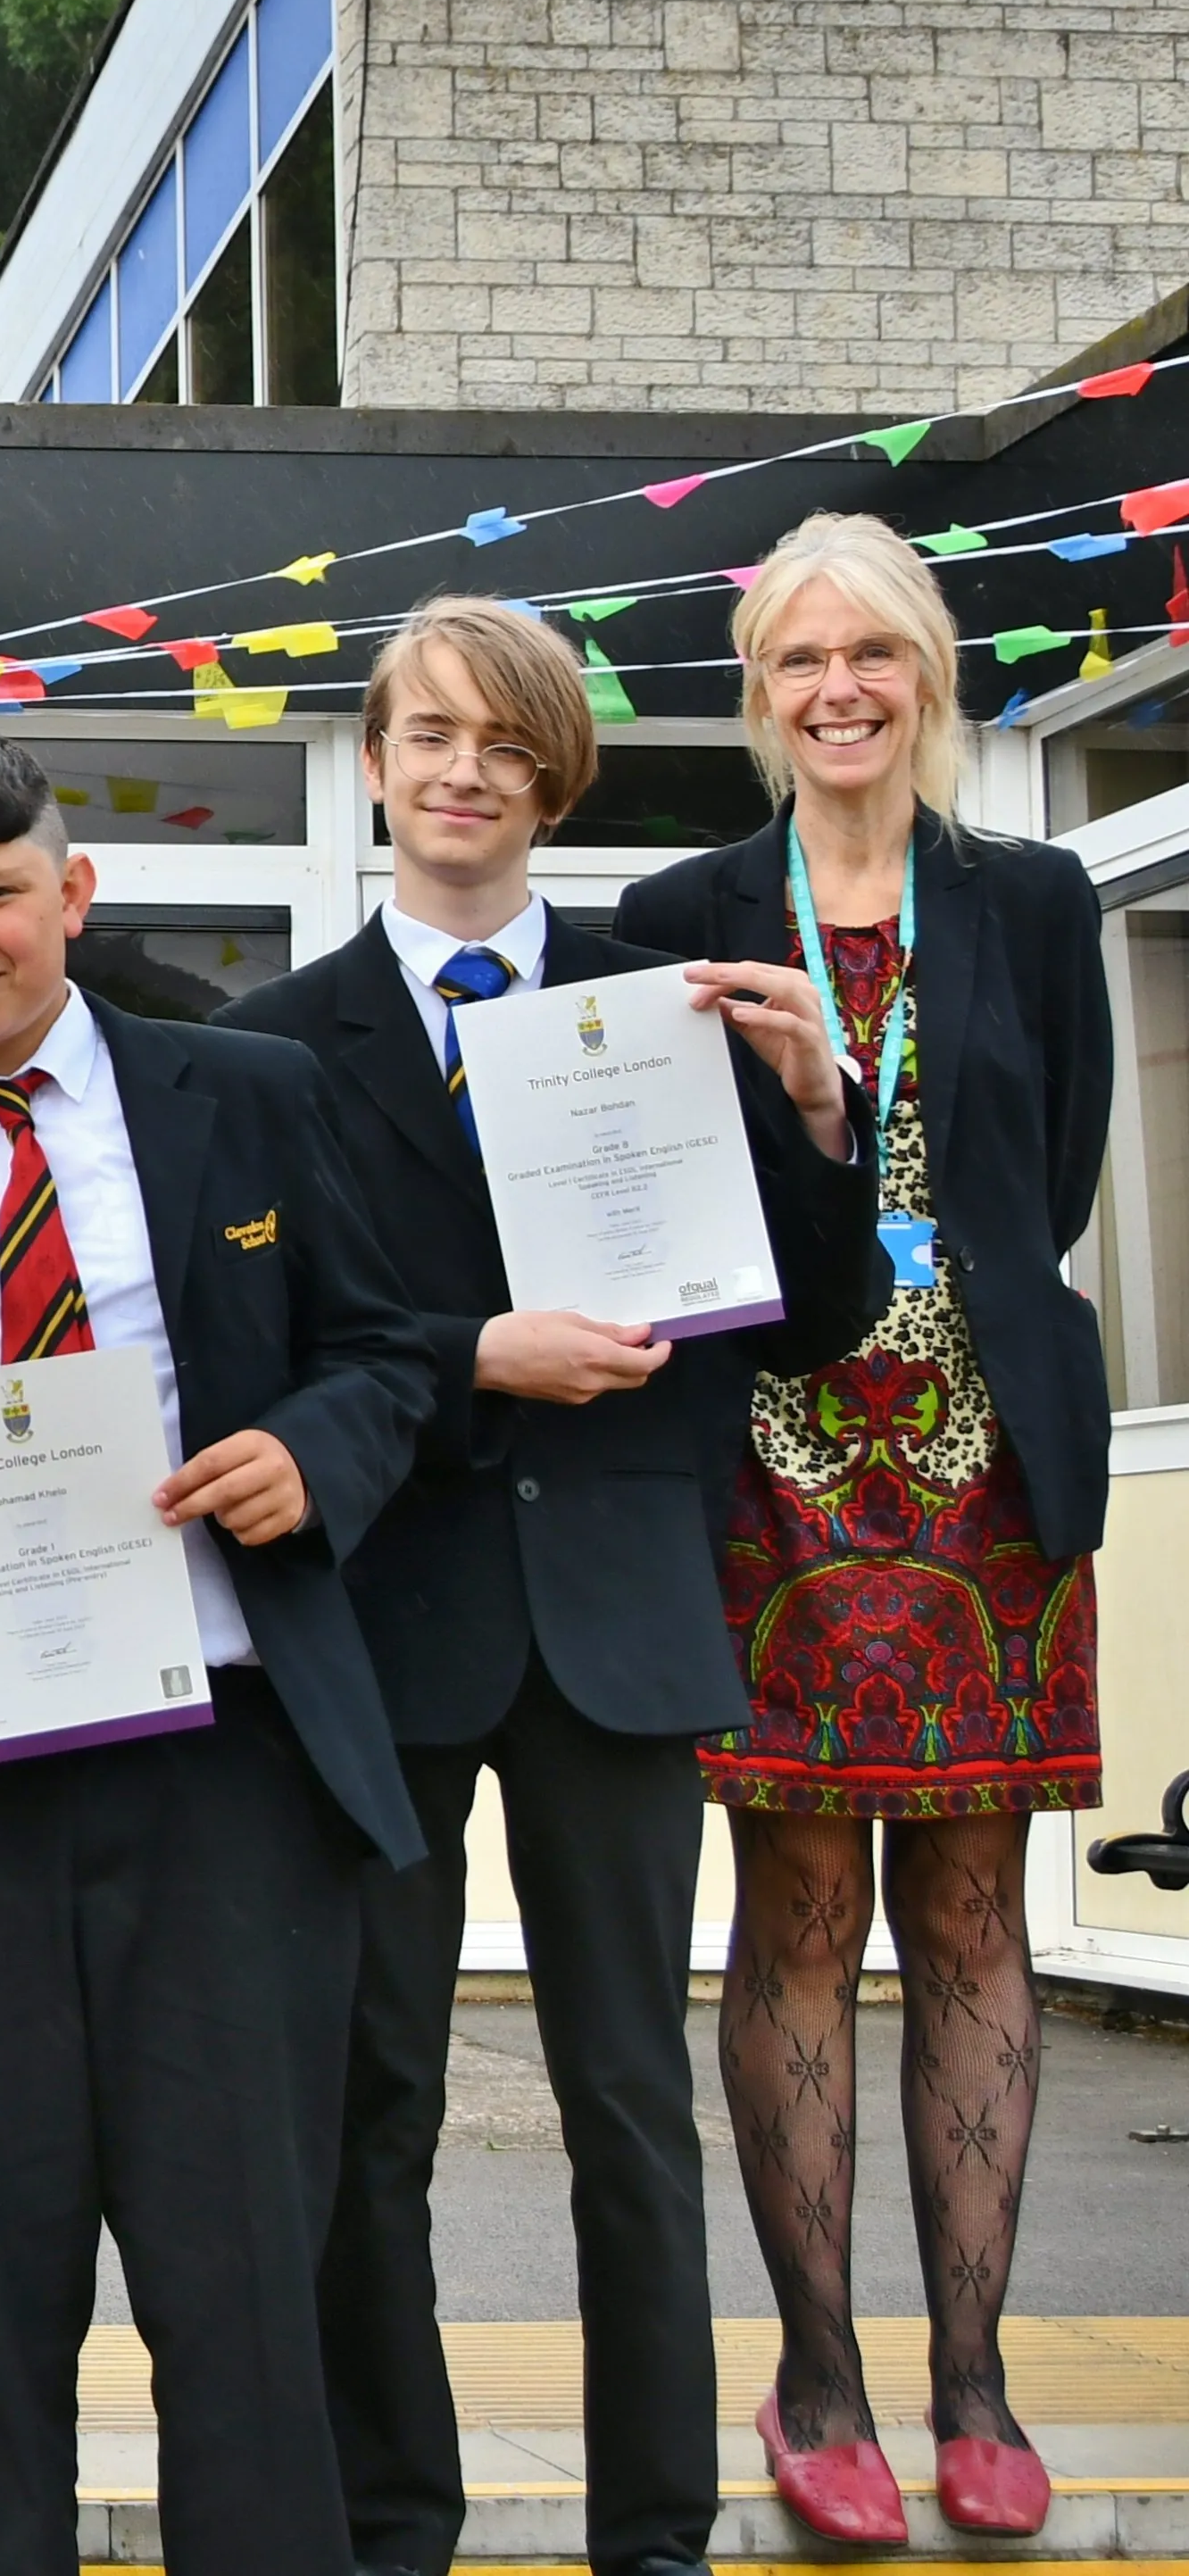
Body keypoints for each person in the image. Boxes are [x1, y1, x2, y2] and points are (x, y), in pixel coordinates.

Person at [0, 726, 435, 2576]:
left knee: (242, 2283)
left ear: (73, 892)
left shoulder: (250, 1093)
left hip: (225, 1759)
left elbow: (381, 1350)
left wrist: (311, 1455)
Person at [216, 597, 880, 2576]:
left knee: (628, 2104)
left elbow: (805, 1321)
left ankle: (652, 2537)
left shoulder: (664, 1007)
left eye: (504, 745)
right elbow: (268, 1351)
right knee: (374, 2108)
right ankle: (391, 2525)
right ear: (370, 762)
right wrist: (470, 1356)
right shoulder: (265, 1046)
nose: (462, 773)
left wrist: (819, 1115)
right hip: (386, 1611)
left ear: (554, 779)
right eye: (428, 735)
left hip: (614, 1604)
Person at [615, 511, 1110, 2548]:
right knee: (803, 1916)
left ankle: (973, 2375)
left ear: (926, 676)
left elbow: (1052, 1182)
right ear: (760, 693)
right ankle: (818, 2376)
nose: (840, 690)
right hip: (773, 1470)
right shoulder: (679, 909)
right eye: (801, 660)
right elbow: (653, 1188)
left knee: (976, 1918)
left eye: (873, 654)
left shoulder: (1035, 896)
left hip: (986, 1469)